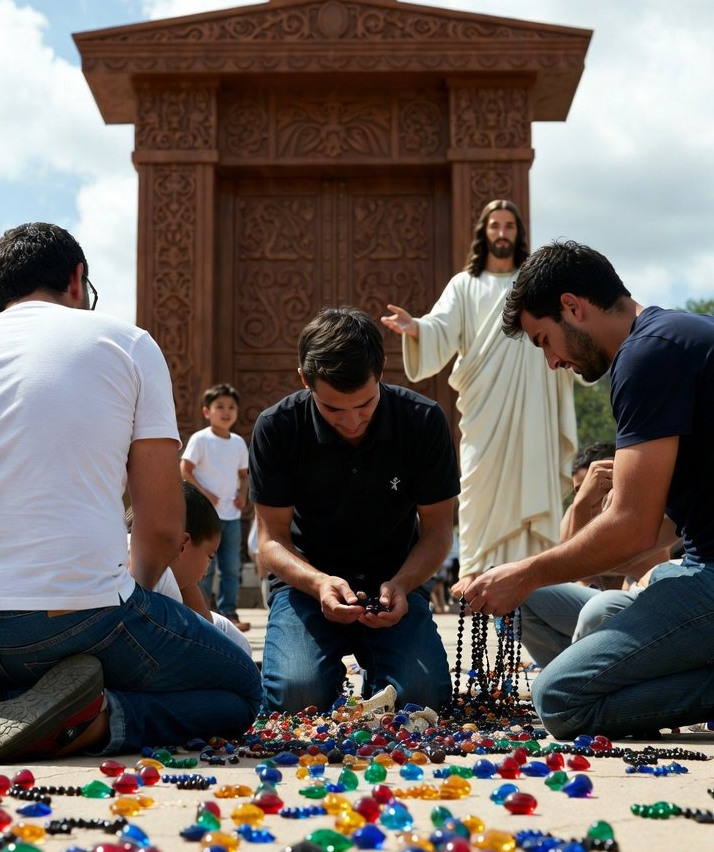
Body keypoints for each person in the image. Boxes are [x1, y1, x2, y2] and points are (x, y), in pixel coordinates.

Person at [0, 222, 261, 765]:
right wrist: (138, 603)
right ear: (78, 280)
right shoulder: (126, 343)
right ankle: (94, 716)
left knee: (8, 646)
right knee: (241, 689)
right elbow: (160, 522)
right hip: (73, 619)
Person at [453, 239, 714, 738]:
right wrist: (529, 572)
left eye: (544, 340)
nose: (551, 362)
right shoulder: (674, 335)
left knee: (559, 698)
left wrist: (525, 574)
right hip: (698, 567)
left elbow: (634, 529)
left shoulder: (646, 356)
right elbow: (661, 527)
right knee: (602, 613)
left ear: (572, 307)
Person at [250, 306, 459, 715]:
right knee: (295, 698)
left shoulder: (423, 421)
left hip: (394, 584)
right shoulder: (277, 427)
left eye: (364, 405)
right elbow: (271, 539)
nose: (351, 422)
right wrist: (319, 583)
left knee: (423, 698)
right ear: (304, 380)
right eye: (333, 409)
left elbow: (437, 532)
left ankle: (380, 675)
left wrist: (403, 583)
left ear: (381, 373)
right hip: (307, 585)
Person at [382, 199, 576, 578]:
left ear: (518, 233)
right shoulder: (464, 285)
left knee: (532, 475)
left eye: (508, 226)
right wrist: (417, 328)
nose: (502, 233)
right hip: (484, 407)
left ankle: (533, 577)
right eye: (495, 226)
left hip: (533, 402)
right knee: (477, 488)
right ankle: (476, 577)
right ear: (483, 233)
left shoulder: (536, 285)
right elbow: (441, 328)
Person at [521, 442, 679, 667]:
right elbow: (566, 571)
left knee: (598, 607)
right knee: (520, 593)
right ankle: (561, 673)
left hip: (642, 612)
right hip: (600, 614)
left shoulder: (638, 507)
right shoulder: (578, 510)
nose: (592, 498)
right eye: (581, 489)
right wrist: (581, 504)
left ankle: (574, 677)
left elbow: (585, 564)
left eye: (599, 487)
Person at [152, 482, 253, 657]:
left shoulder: (173, 578)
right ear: (183, 544)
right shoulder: (162, 577)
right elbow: (206, 641)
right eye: (210, 556)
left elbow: (204, 622)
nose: (206, 570)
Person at [180, 383, 250, 632]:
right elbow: (185, 470)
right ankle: (201, 612)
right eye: (219, 406)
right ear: (207, 411)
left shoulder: (239, 442)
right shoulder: (201, 439)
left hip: (231, 516)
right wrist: (205, 493)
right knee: (203, 567)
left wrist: (243, 495)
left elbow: (244, 475)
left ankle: (229, 612)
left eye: (231, 407)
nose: (226, 411)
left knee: (232, 566)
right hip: (205, 518)